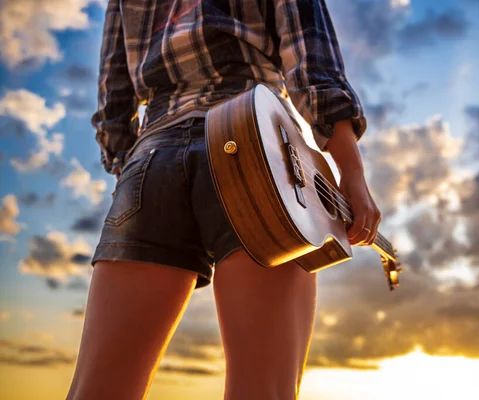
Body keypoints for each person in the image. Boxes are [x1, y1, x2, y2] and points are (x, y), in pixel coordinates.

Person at [66, 0, 381, 399]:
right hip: (256, 143)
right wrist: (351, 173)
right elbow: (313, 65)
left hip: (151, 156)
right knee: (263, 389)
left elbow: (113, 106)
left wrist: (132, 174)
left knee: (98, 389)